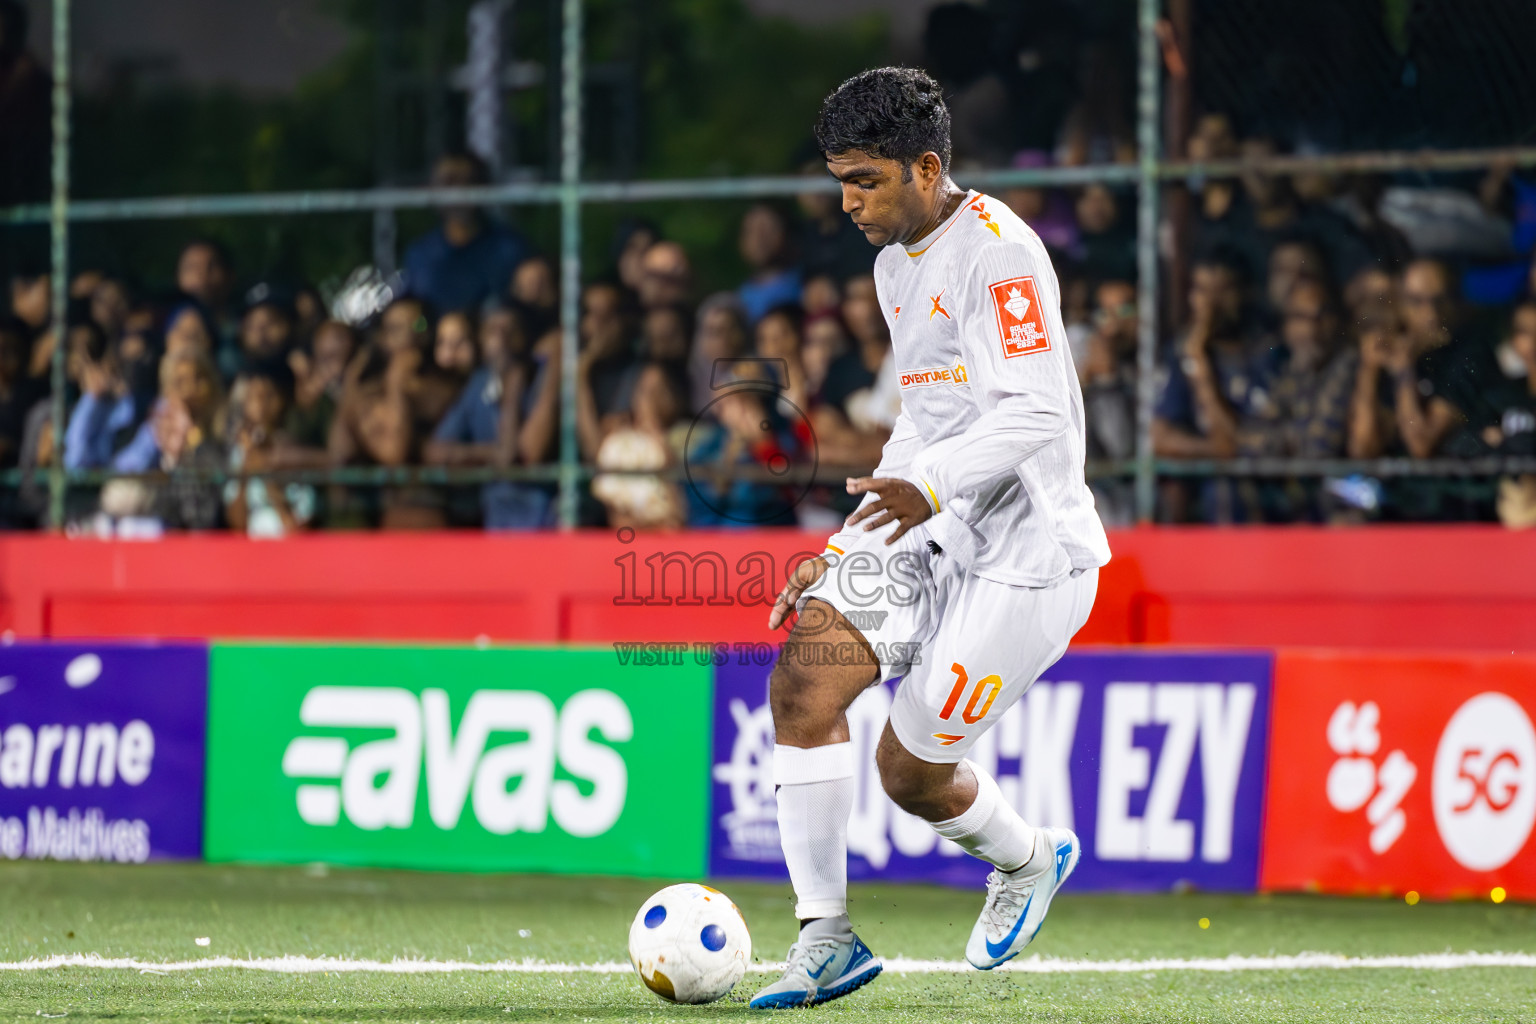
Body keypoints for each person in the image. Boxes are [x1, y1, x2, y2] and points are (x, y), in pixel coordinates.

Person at [749, 68, 1108, 1010]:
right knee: (803, 681)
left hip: (1031, 555)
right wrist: (845, 544)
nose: (848, 202)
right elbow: (927, 412)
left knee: (908, 773)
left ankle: (1029, 859)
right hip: (932, 519)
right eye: (839, 180)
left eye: (864, 180)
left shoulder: (1002, 254)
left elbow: (1033, 413)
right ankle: (825, 936)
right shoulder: (894, 261)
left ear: (926, 166)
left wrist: (931, 486)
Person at [402, 152, 533, 315]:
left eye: (469, 181)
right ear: (432, 189)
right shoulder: (420, 255)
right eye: (449, 182)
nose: (459, 191)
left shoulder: (511, 249)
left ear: (484, 187)